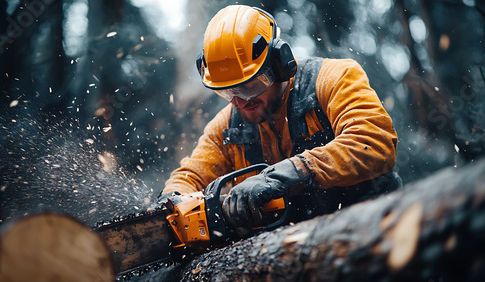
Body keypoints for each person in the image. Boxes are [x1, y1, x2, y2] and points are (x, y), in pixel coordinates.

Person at [160, 5, 401, 234]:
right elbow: (191, 175)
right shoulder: (225, 127)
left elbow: (375, 142)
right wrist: (172, 200)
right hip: (296, 248)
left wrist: (288, 173)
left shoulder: (334, 79)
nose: (240, 101)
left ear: (280, 64)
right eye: (228, 92)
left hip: (376, 223)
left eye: (250, 86)